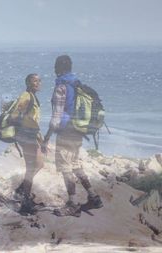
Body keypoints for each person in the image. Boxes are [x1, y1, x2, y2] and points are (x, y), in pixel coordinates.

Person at [42, 55, 103, 216]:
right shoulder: (77, 83)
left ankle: (72, 204)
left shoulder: (61, 86)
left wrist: (46, 138)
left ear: (60, 68)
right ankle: (94, 197)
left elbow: (56, 116)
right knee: (75, 164)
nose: (54, 69)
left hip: (66, 131)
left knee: (65, 168)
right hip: (79, 130)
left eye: (55, 66)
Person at [11, 73, 45, 210]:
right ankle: (25, 202)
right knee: (31, 167)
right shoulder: (25, 96)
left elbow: (33, 120)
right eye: (34, 81)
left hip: (31, 135)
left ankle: (20, 191)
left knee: (40, 163)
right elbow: (15, 114)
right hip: (26, 136)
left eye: (39, 81)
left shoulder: (33, 97)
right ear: (28, 83)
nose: (37, 83)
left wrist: (40, 138)